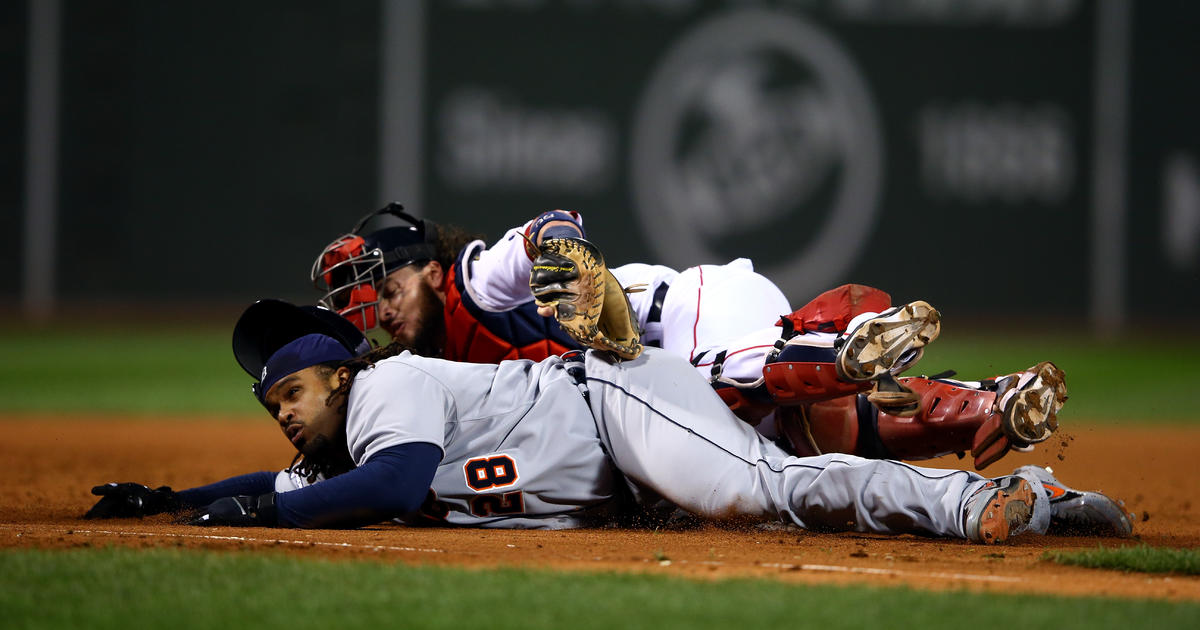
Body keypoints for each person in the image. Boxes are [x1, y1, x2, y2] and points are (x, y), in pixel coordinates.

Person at [84, 299, 1133, 542]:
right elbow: (275, 489)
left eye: (289, 397)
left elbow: (393, 491)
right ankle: (1042, 494)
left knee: (762, 489)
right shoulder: (340, 452)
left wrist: (259, 523)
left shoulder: (388, 388)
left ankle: (979, 503)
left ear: (337, 379)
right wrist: (170, 505)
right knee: (762, 506)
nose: (282, 422)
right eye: (272, 409)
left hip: (615, 398)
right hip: (628, 481)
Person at [308, 204, 1062, 470]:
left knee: (698, 389)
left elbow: (547, 229)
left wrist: (569, 268)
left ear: (433, 271)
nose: (386, 314)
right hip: (688, 351)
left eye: (393, 289)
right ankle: (986, 403)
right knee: (810, 443)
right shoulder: (427, 367)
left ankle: (838, 345)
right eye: (373, 306)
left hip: (691, 317)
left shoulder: (475, 280)